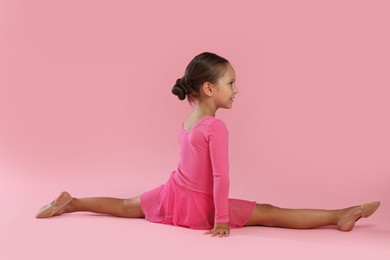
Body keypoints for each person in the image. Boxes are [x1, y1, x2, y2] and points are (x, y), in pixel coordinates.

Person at [36, 52, 380, 237]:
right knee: (272, 213)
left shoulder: (189, 121)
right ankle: (340, 214)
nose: (237, 89)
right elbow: (219, 179)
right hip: (202, 204)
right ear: (209, 89)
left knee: (128, 205)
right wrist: (222, 219)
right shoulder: (215, 127)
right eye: (231, 82)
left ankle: (72, 201)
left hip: (174, 192)